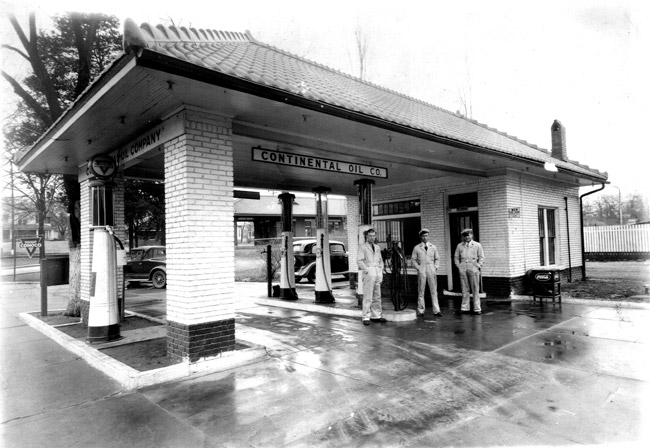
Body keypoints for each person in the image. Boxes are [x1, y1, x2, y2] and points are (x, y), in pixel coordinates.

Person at [357, 228, 386, 325]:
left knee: (377, 296)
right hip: (369, 272)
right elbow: (359, 261)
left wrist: (381, 269)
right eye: (370, 236)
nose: (372, 238)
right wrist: (367, 269)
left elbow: (380, 260)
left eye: (373, 236)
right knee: (368, 296)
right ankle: (365, 316)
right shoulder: (363, 247)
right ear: (366, 236)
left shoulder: (377, 247)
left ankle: (376, 315)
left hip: (377, 272)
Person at [411, 228, 442, 318]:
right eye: (423, 236)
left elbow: (437, 258)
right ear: (420, 237)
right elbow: (413, 260)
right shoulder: (417, 248)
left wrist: (435, 267)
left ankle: (436, 310)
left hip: (431, 268)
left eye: (426, 236)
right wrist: (418, 268)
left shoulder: (433, 247)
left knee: (434, 290)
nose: (425, 238)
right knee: (421, 290)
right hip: (422, 268)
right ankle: (421, 310)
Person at [454, 228, 485, 314]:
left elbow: (481, 257)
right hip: (463, 268)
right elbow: (456, 258)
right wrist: (459, 267)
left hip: (473, 267)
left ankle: (477, 308)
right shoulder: (460, 246)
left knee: (475, 289)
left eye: (468, 235)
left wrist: (477, 266)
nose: (467, 237)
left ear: (472, 235)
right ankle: (465, 308)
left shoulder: (477, 245)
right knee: (464, 289)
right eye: (465, 236)